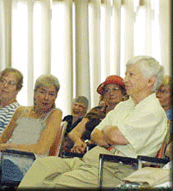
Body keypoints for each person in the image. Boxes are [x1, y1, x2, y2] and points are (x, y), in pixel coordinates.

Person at [19, 55, 168, 189]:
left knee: (54, 183)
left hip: (117, 169)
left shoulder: (152, 110)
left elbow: (116, 136)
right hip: (92, 161)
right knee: (42, 166)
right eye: (126, 74)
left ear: (150, 81)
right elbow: (96, 134)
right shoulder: (124, 106)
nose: (125, 79)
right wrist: (109, 134)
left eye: (131, 74)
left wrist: (109, 133)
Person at [0, 74, 62, 189]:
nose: (46, 98)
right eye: (42, 92)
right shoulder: (21, 111)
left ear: (55, 97)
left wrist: (9, 147)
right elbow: (2, 139)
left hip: (29, 166)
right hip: (6, 160)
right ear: (35, 93)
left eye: (51, 94)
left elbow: (41, 148)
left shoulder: (55, 114)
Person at [64, 75, 127, 154]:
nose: (111, 93)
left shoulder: (127, 112)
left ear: (123, 93)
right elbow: (75, 132)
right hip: (85, 150)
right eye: (107, 90)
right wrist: (78, 141)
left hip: (108, 153)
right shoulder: (96, 111)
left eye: (115, 89)